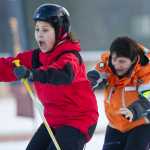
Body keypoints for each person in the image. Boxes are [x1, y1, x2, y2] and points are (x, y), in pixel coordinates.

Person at [0, 3, 99, 150]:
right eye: (37, 29)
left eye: (45, 30)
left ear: (60, 32)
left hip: (79, 120)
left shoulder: (70, 57)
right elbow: (9, 65)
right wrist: (20, 70)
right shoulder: (36, 57)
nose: (40, 34)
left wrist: (33, 74)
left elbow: (62, 73)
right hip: (53, 120)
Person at [87, 36, 150, 150]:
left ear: (133, 60)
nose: (116, 65)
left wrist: (133, 111)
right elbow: (93, 77)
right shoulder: (108, 64)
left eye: (122, 61)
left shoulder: (146, 71)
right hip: (115, 125)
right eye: (114, 59)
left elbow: (148, 98)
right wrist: (87, 85)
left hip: (141, 124)